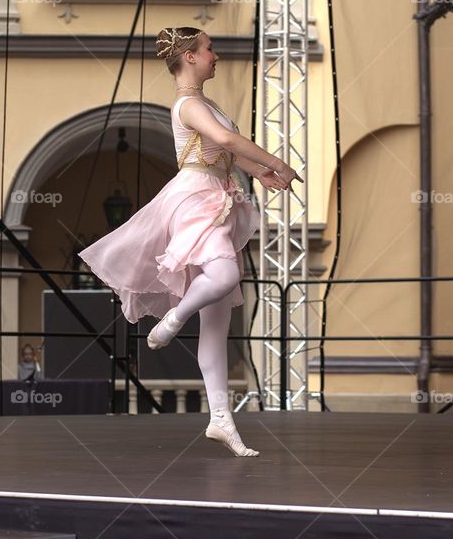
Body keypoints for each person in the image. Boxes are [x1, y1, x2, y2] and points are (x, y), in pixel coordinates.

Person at [78, 26, 302, 457]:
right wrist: (277, 161)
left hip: (217, 194)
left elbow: (226, 154)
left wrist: (260, 173)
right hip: (195, 197)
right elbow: (223, 139)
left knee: (217, 321)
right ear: (191, 57)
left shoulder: (206, 103)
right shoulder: (188, 104)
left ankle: (221, 420)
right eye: (209, 48)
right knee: (224, 274)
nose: (215, 55)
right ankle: (175, 317)